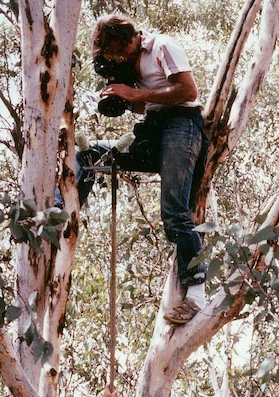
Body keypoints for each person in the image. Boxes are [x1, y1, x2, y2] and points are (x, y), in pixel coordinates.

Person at [70, 13, 209, 326]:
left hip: (182, 124)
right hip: (153, 127)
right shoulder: (127, 63)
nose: (117, 57)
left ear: (125, 37)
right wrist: (120, 96)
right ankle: (62, 211)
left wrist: (138, 94)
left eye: (116, 50)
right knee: (91, 155)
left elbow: (188, 91)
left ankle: (196, 295)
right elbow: (141, 106)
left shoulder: (162, 45)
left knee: (174, 212)